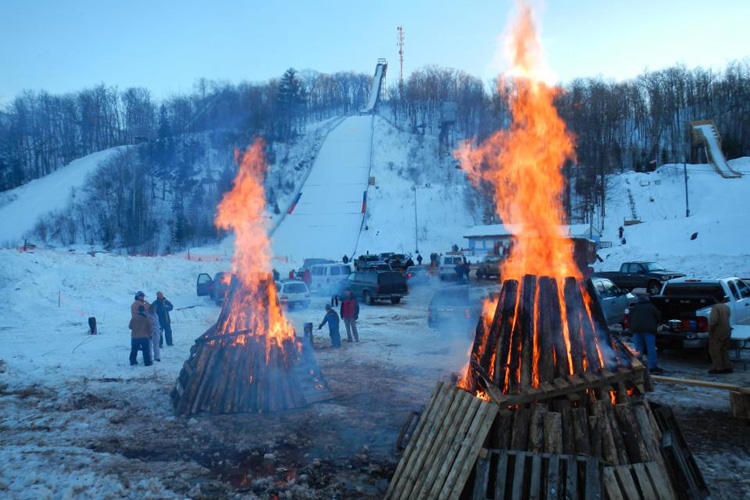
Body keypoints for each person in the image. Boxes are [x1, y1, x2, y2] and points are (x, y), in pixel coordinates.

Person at [629, 291, 662, 373]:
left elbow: (630, 318)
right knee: (651, 349)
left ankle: (638, 365)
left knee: (638, 349)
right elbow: (658, 317)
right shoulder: (652, 307)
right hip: (649, 331)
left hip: (636, 330)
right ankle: (652, 366)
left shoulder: (635, 308)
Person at [708, 292, 733, 374]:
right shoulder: (726, 307)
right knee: (724, 349)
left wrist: (710, 329)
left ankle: (719, 368)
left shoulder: (715, 307)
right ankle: (727, 366)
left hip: (718, 331)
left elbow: (714, 320)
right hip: (727, 330)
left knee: (715, 350)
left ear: (715, 299)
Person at [129, 292, 152, 366]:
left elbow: (130, 326)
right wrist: (150, 334)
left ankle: (132, 362)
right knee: (145, 350)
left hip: (135, 336)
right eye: (141, 296)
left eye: (143, 296)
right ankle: (147, 363)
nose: (143, 297)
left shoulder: (134, 317)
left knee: (134, 350)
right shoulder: (137, 304)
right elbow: (149, 326)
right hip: (144, 335)